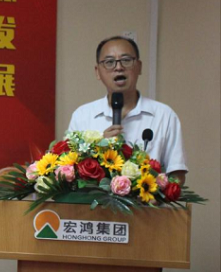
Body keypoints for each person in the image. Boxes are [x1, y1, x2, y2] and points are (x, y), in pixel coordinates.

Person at [67, 36, 187, 184]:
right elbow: (68, 172)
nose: (118, 67)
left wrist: (152, 190)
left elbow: (177, 174)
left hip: (147, 197)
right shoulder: (82, 116)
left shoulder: (164, 115)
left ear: (139, 67)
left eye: (126, 60)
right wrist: (98, 149)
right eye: (109, 62)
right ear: (98, 72)